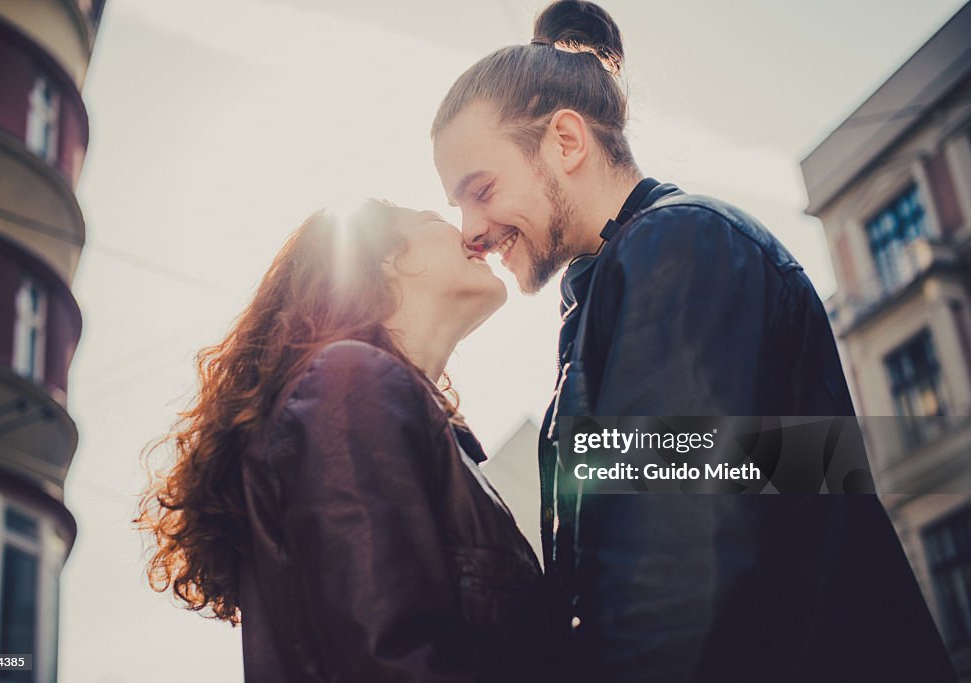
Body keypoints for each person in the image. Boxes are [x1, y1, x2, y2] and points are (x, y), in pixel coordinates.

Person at [431, 1, 956, 681]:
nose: (470, 228)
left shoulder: (679, 248)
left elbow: (672, 578)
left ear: (566, 141)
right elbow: (779, 482)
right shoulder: (633, 274)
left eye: (482, 188)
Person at [135, 201, 545, 682]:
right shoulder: (350, 382)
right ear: (386, 260)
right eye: (438, 220)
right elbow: (388, 661)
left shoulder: (386, 405)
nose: (472, 232)